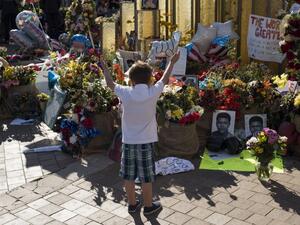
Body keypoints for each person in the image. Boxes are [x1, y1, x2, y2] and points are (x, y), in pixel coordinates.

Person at [100, 51, 180, 215]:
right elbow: (164, 79)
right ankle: (149, 206)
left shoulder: (126, 92)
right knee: (146, 176)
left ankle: (132, 204)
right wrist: (172, 62)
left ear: (132, 79)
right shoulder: (153, 92)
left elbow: (109, 83)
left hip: (128, 141)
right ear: (150, 78)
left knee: (128, 175)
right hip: (146, 142)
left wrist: (104, 67)